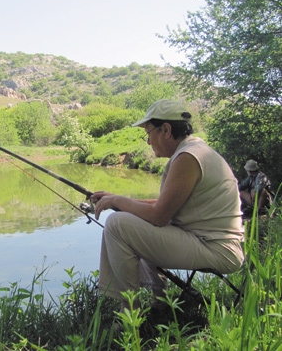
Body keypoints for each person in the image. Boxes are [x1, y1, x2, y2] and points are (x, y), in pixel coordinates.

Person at [91, 99, 245, 315]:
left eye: (148, 132)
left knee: (117, 224)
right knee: (134, 221)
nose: (147, 141)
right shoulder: (194, 150)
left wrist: (117, 203)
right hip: (211, 243)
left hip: (217, 249)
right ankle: (160, 302)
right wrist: (117, 198)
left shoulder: (188, 158)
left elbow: (159, 216)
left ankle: (130, 316)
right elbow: (165, 205)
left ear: (165, 129)